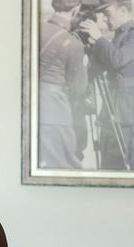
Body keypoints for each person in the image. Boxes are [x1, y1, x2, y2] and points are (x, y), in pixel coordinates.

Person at [79, 0, 134, 170]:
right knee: (108, 166)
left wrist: (99, 38)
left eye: (107, 14)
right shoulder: (115, 39)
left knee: (127, 166)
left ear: (123, 11)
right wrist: (90, 44)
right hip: (111, 109)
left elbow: (118, 59)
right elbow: (97, 68)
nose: (105, 19)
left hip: (128, 111)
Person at [39, 0, 87, 168]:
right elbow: (79, 88)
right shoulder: (73, 43)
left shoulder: (35, 30)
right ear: (76, 8)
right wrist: (85, 65)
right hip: (55, 113)